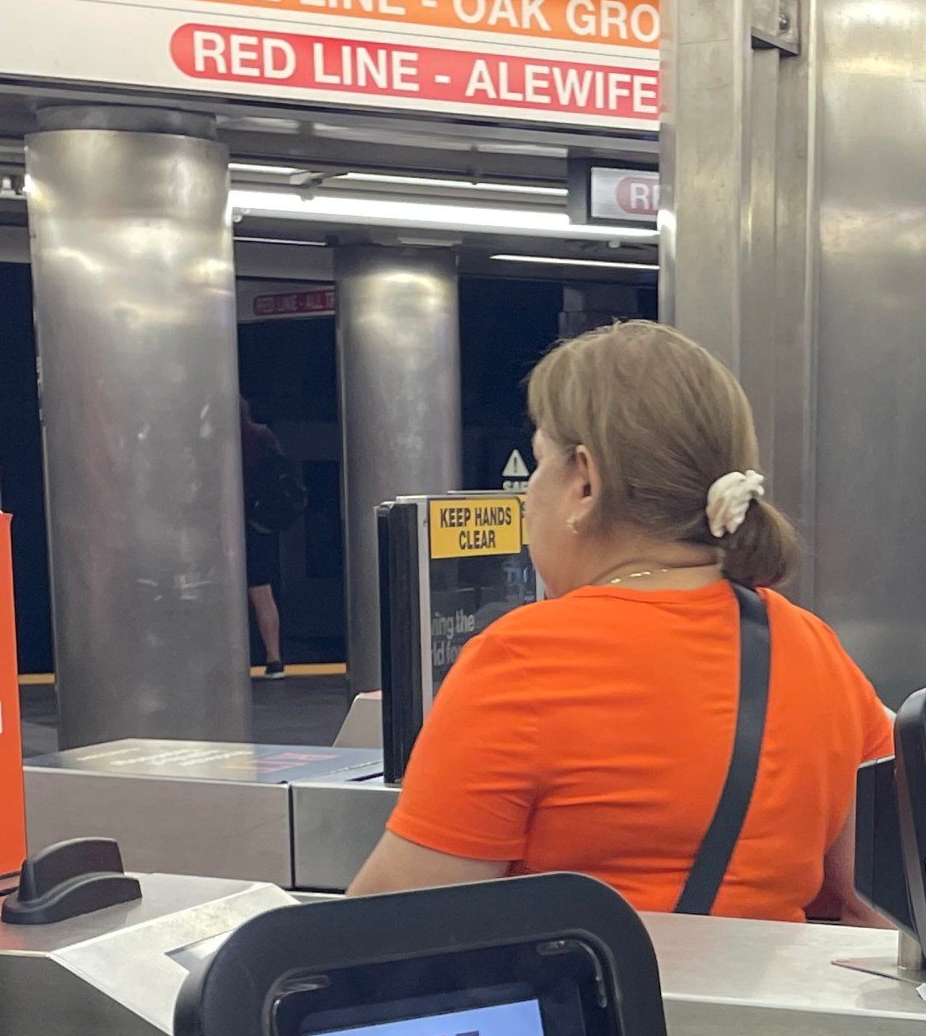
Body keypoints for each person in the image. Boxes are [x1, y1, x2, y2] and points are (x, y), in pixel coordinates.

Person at [347, 321, 893, 923]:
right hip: (765, 1014)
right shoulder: (813, 648)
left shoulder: (524, 661)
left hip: (595, 1014)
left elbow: (393, 925)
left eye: (537, 463)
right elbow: (874, 904)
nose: (529, 493)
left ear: (584, 481)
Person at [241, 401, 305, 678]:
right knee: (262, 591)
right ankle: (274, 658)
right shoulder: (262, 436)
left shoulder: (218, 439)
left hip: (223, 524)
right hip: (259, 524)